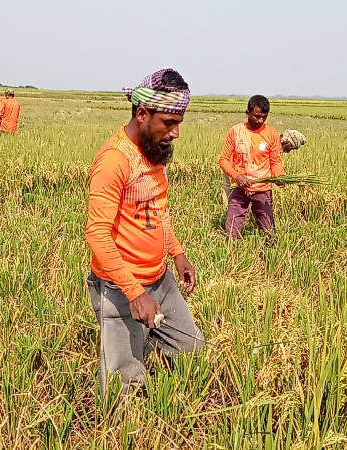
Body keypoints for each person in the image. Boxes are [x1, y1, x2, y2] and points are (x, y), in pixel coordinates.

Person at [85, 68, 204, 395]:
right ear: (142, 114)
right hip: (121, 285)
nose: (176, 132)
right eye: (169, 122)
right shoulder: (114, 160)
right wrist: (135, 293)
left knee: (190, 349)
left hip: (160, 277)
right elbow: (97, 234)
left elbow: (158, 210)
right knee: (125, 387)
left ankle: (141, 344)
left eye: (180, 122)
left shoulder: (155, 154)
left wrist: (178, 254)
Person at [219, 95, 283, 239]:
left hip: (262, 190)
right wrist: (237, 176)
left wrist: (279, 177)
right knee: (231, 233)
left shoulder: (271, 134)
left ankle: (270, 255)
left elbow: (275, 161)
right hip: (239, 188)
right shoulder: (235, 132)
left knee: (269, 233)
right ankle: (231, 256)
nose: (260, 121)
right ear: (247, 112)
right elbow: (223, 160)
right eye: (256, 116)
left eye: (264, 117)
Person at [221, 128, 307, 207]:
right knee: (232, 199)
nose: (289, 152)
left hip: (244, 172)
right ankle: (228, 220)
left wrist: (279, 178)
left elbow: (274, 164)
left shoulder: (275, 146)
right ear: (288, 143)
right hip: (234, 168)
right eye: (291, 148)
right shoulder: (268, 142)